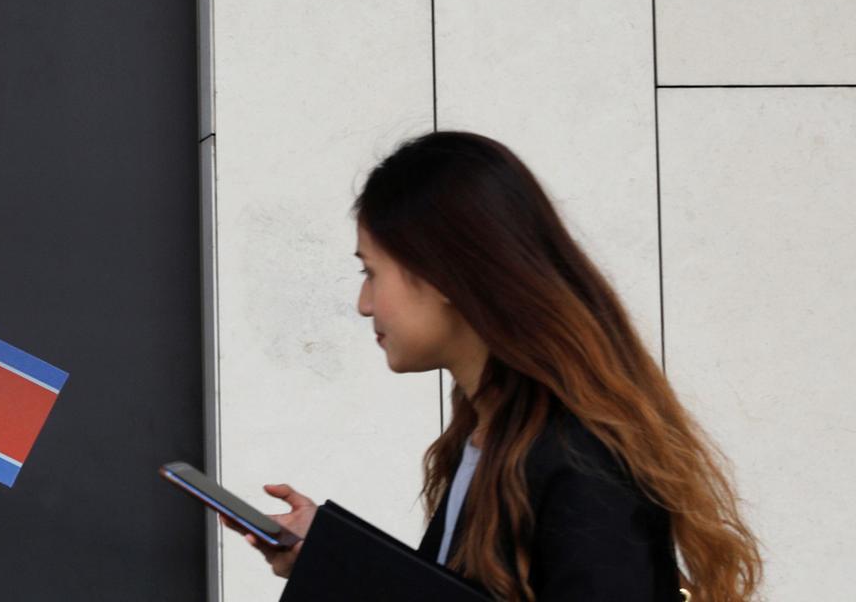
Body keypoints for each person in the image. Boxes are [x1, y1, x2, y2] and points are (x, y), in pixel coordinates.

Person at [238, 132, 761, 601]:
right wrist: (329, 560)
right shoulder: (493, 438)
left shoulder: (580, 459)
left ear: (441, 273)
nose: (363, 303)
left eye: (371, 272)